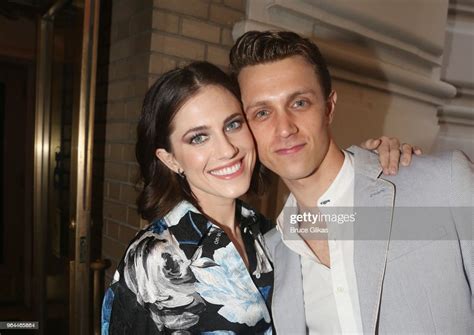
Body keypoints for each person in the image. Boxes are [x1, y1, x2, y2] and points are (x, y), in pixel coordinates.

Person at [100, 61, 415, 334]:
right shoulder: (150, 260)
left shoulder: (271, 232)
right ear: (171, 159)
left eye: (233, 125)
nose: (227, 149)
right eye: (199, 137)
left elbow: (367, 229)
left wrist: (378, 164)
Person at [229, 30, 473, 334]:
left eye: (300, 103)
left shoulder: (443, 185)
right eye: (262, 112)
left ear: (329, 107)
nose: (284, 128)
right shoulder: (269, 258)